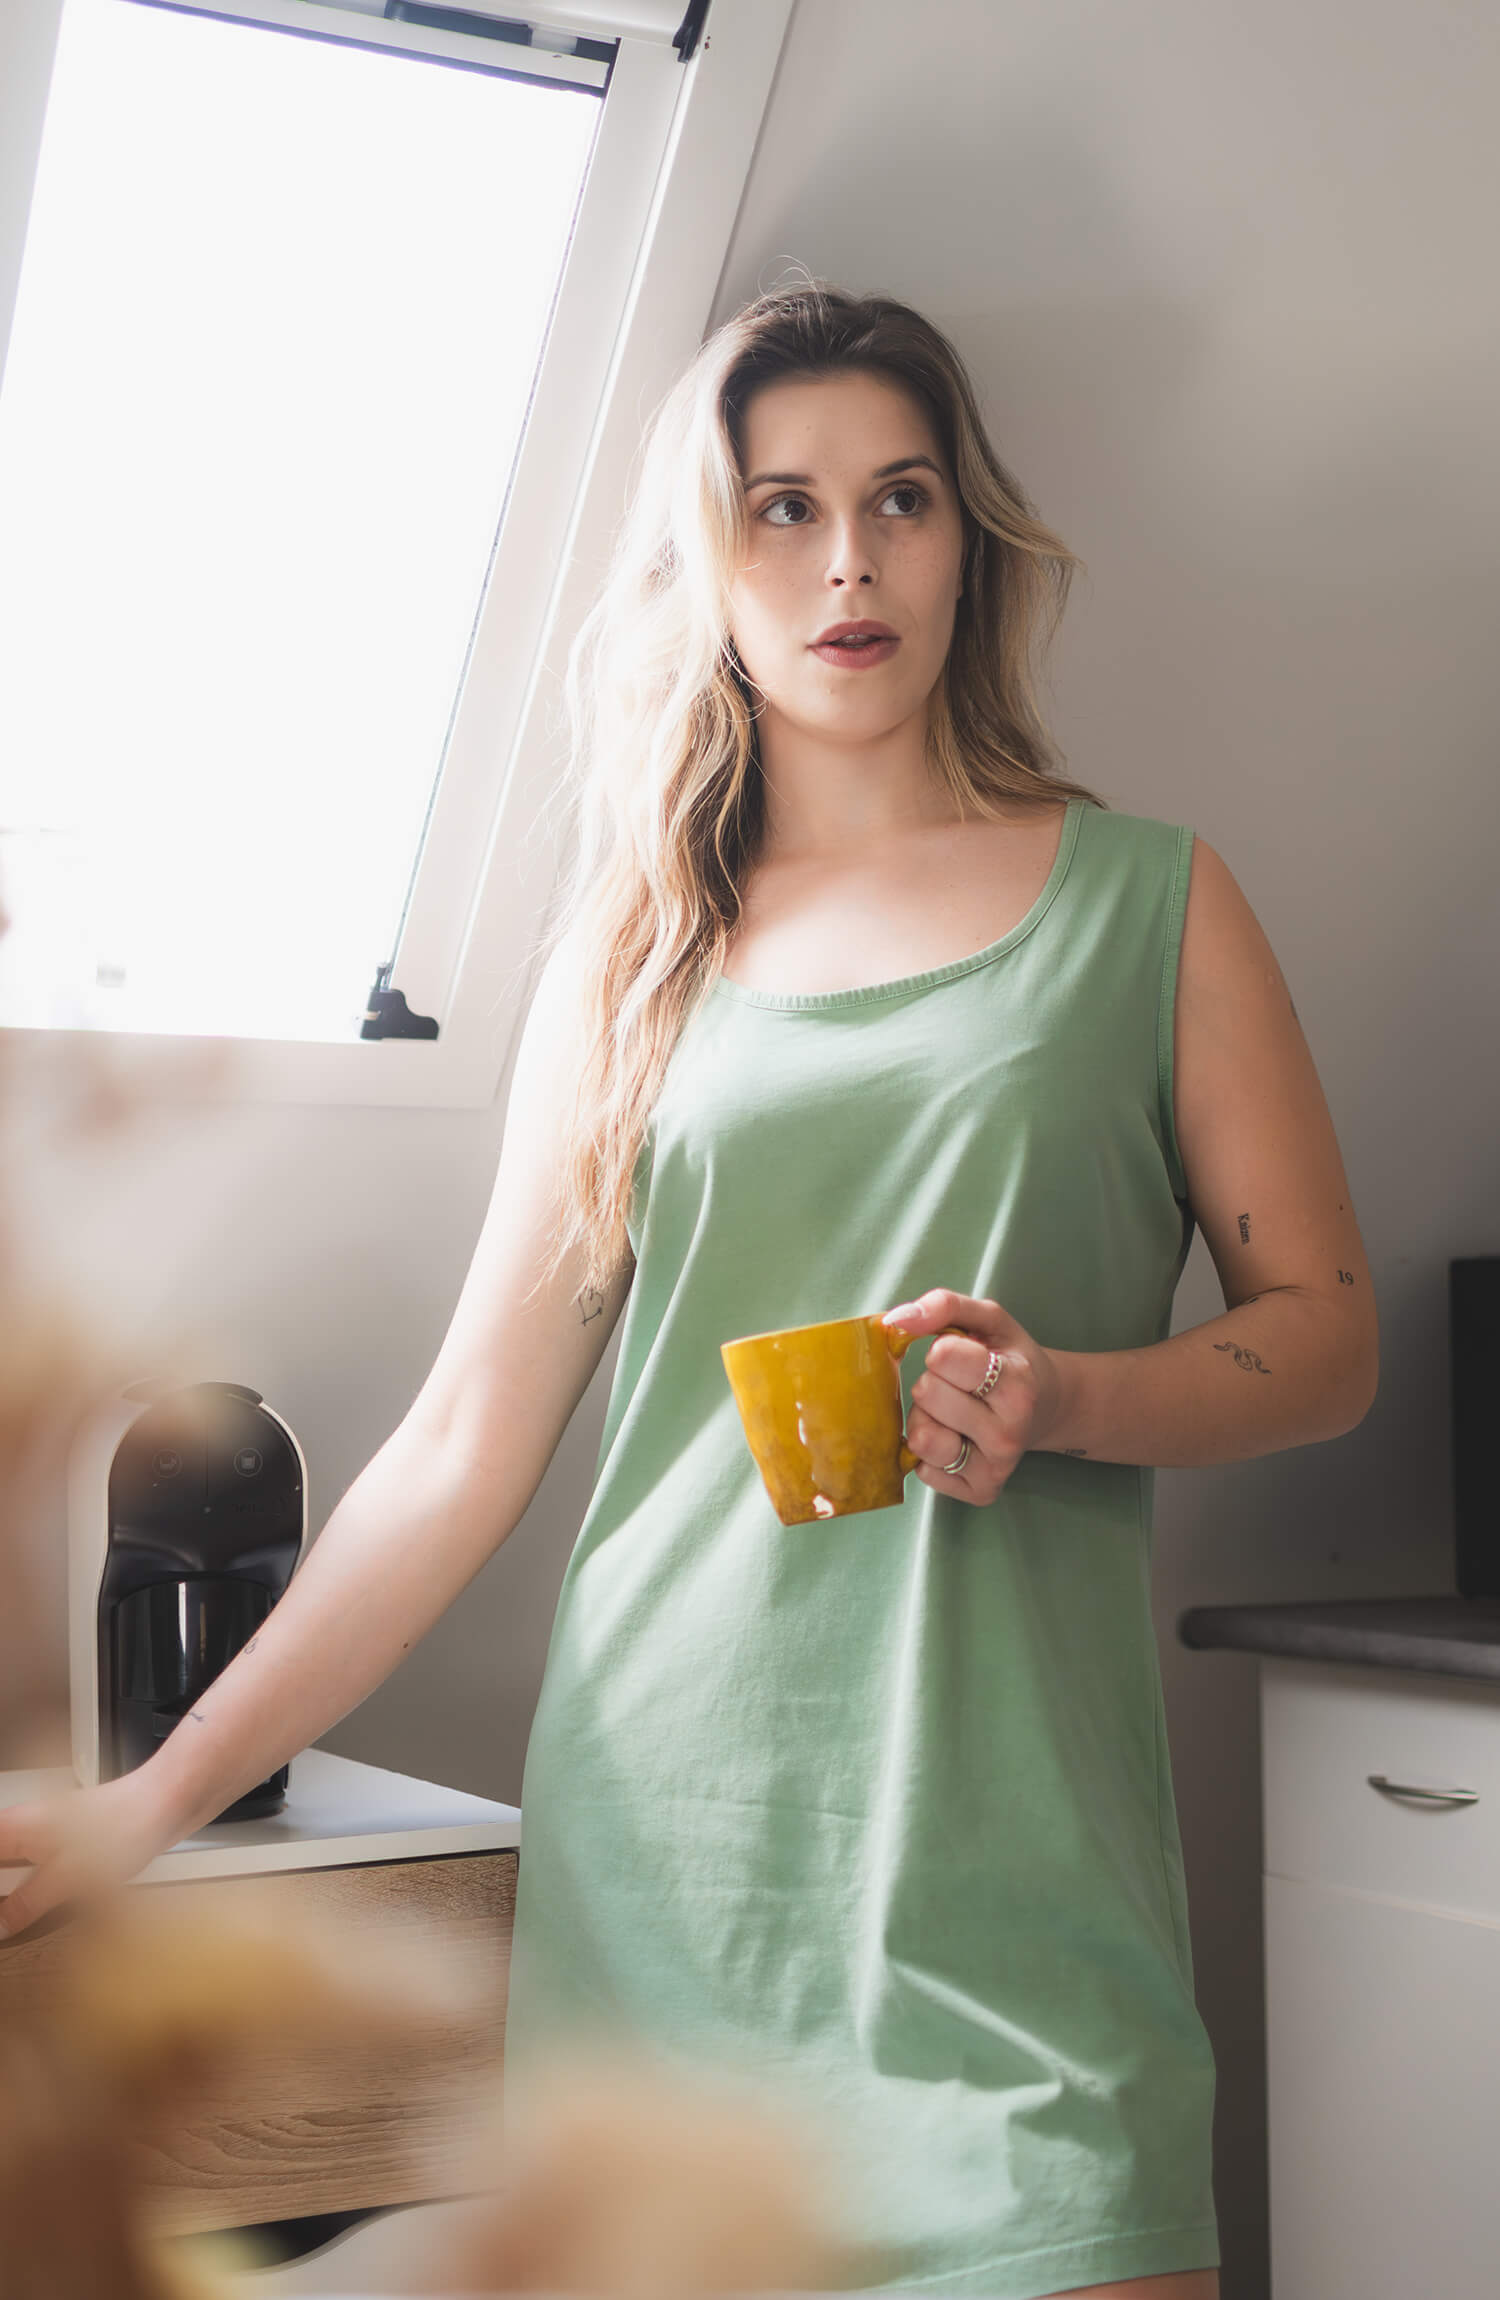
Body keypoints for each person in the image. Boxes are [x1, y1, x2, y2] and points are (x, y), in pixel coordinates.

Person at [0, 284, 1377, 2300]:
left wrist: (1071, 1398)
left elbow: (1323, 1336)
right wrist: (153, 1808)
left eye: (899, 501)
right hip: (675, 1881)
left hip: (1021, 1902)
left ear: (966, 539)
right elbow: (462, 1445)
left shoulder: (1150, 902)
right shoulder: (632, 961)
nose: (848, 562)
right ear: (706, 564)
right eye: (780, 507)